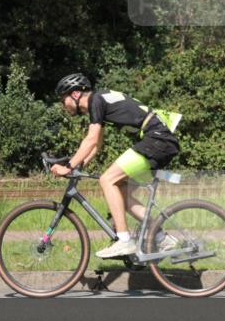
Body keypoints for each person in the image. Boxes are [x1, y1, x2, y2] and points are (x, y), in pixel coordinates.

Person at [52, 73, 180, 258]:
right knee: (122, 193)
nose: (62, 105)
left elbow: (91, 139)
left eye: (63, 99)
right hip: (159, 141)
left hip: (156, 139)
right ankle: (162, 238)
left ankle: (124, 241)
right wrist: (80, 166)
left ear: (75, 94)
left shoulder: (95, 100)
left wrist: (69, 166)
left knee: (107, 180)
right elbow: (97, 145)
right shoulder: (100, 101)